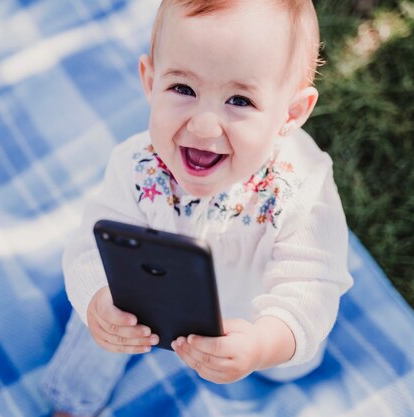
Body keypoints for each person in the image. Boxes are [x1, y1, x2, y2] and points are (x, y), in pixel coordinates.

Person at [41, 0, 353, 415]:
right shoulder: (137, 166)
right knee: (98, 320)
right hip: (145, 300)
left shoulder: (301, 189)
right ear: (150, 81)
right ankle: (73, 402)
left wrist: (262, 346)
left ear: (291, 113)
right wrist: (96, 298)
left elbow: (311, 288)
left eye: (240, 100)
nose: (204, 126)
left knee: (291, 359)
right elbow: (89, 246)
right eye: (183, 90)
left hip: (251, 314)